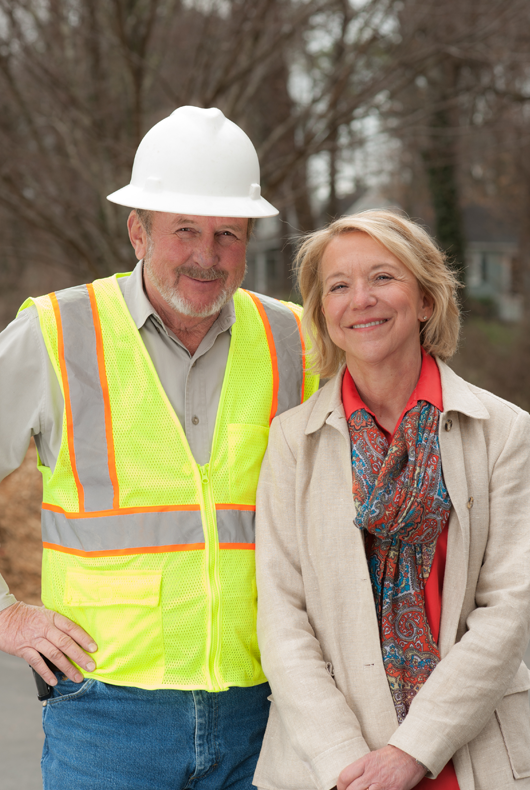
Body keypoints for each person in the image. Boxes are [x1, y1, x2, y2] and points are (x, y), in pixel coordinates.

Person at [0, 105, 318, 790]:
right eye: (185, 231)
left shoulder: (295, 340)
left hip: (263, 711)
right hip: (107, 716)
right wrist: (5, 615)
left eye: (227, 235)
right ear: (138, 232)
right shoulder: (56, 331)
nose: (207, 255)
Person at [254, 209, 530, 790]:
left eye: (383, 277)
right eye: (339, 286)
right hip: (329, 768)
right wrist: (342, 760)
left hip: (467, 755)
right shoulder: (290, 441)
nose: (362, 299)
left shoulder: (504, 432)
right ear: (323, 312)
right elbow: (282, 616)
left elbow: (507, 612)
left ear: (426, 299)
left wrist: (411, 752)